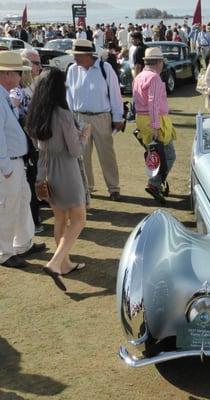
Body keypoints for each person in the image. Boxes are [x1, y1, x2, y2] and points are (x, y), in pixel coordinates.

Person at [25, 68, 91, 290]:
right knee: (79, 219)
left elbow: (37, 145)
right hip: (66, 171)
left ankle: (64, 264)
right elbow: (74, 151)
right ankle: (55, 263)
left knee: (60, 219)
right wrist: (83, 136)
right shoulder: (62, 114)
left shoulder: (37, 112)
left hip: (46, 171)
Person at [0, 51, 46, 269]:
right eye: (18, 73)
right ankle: (4, 252)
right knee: (8, 207)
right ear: (7, 74)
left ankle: (23, 243)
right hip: (8, 163)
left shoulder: (6, 95)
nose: (21, 77)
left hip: (16, 161)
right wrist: (5, 166)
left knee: (22, 200)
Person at [66, 39, 124, 201]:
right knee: (82, 156)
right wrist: (70, 118)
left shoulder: (105, 69)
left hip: (101, 117)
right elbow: (69, 97)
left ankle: (113, 188)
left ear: (87, 55)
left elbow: (115, 95)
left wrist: (118, 117)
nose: (74, 58)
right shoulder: (72, 70)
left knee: (107, 155)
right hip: (79, 117)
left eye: (76, 55)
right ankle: (86, 188)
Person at [133, 48, 177, 204]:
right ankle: (154, 183)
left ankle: (157, 182)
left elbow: (136, 101)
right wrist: (156, 126)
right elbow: (153, 103)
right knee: (168, 155)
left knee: (155, 153)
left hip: (142, 119)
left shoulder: (139, 76)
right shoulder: (154, 78)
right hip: (155, 120)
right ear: (159, 62)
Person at [10, 49, 44, 233]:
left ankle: (33, 219)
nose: (39, 66)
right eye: (35, 63)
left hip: (31, 141)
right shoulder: (18, 91)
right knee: (29, 180)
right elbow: (13, 105)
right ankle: (32, 221)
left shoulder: (32, 86)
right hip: (24, 144)